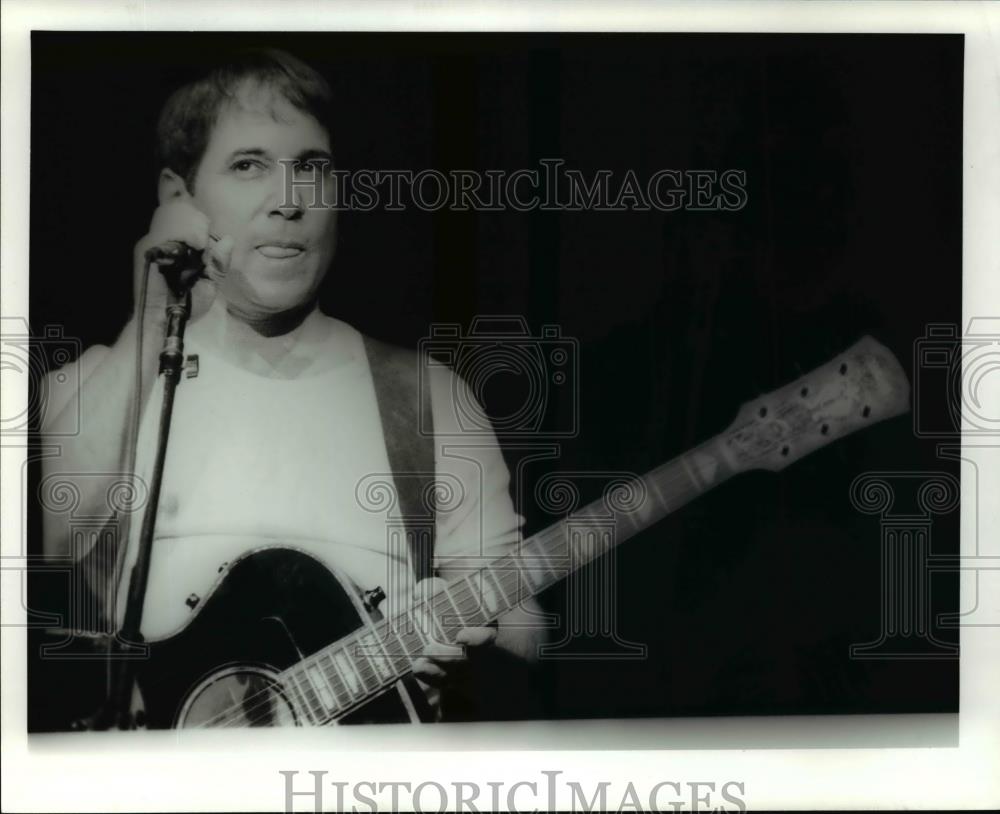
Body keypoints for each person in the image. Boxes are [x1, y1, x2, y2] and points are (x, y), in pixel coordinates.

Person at [39, 48, 545, 726]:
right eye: (249, 166)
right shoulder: (95, 383)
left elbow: (526, 630)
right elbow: (54, 556)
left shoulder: (430, 399)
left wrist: (467, 645)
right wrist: (151, 323)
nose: (289, 202)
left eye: (311, 167)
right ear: (178, 198)